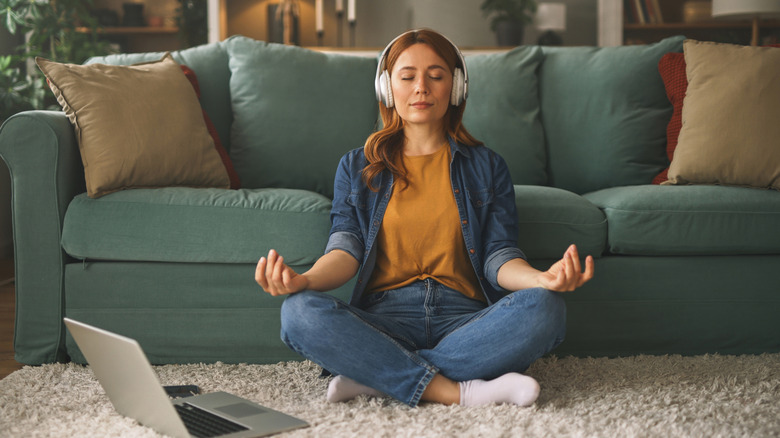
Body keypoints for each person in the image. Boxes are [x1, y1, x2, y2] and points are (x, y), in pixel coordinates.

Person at [255, 28, 594, 408]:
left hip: (466, 321)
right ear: (387, 88)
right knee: (298, 311)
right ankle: (456, 390)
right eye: (407, 77)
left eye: (436, 76)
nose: (421, 88)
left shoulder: (487, 165)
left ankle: (380, 377)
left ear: (457, 87)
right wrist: (305, 280)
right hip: (385, 320)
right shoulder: (357, 166)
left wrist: (542, 279)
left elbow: (499, 254)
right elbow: (346, 247)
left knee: (546, 307)